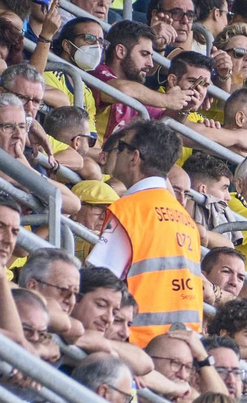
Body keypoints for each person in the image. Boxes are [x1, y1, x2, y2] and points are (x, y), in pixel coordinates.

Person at [83, 121, 201, 344]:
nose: (115, 153)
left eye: (121, 147)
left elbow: (100, 279)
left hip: (137, 340)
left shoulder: (130, 210)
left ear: (134, 157)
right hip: (183, 346)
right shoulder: (185, 219)